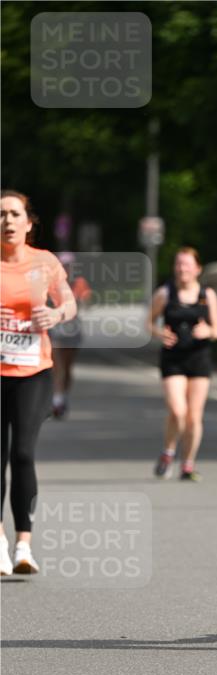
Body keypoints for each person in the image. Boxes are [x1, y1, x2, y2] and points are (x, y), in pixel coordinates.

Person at [1, 191, 76, 575]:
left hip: (33, 371)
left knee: (24, 454)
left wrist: (57, 312)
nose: (7, 221)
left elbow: (68, 302)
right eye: (1, 214)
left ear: (29, 223)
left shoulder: (44, 262)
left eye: (14, 214)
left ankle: (23, 546)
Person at [149, 247, 217, 481]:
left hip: (199, 359)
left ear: (197, 269)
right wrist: (160, 333)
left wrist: (208, 331)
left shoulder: (207, 295)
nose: (182, 269)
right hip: (173, 360)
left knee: (193, 416)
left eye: (187, 265)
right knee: (178, 411)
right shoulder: (165, 293)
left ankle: (188, 464)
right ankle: (168, 452)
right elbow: (149, 323)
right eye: (179, 264)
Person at [49, 251, 93, 418]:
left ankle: (63, 396)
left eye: (68, 265)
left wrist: (83, 299)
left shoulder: (79, 282)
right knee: (57, 366)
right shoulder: (52, 282)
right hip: (56, 328)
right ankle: (57, 400)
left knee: (67, 367)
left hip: (72, 329)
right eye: (63, 264)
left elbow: (87, 301)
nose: (66, 268)